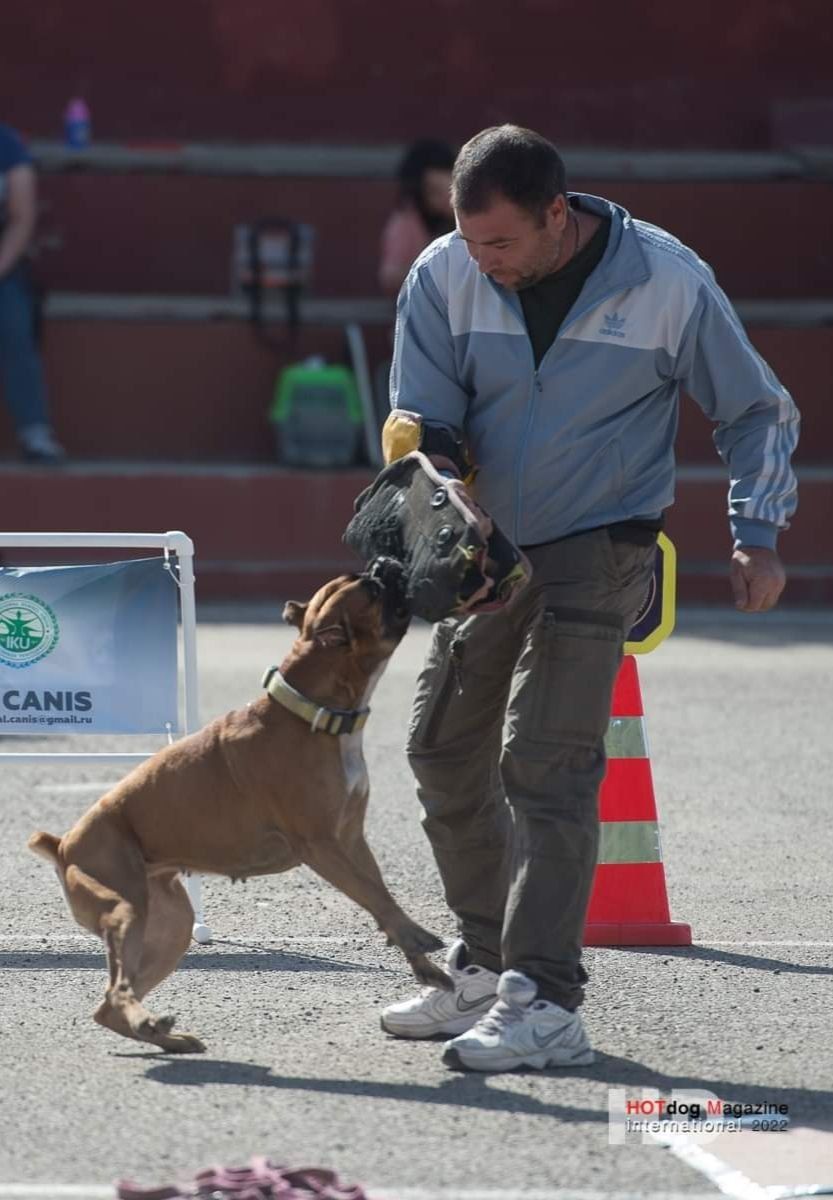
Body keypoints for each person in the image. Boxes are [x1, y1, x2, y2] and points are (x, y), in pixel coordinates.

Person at [379, 125, 799, 1072]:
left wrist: (756, 530)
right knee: (441, 748)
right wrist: (443, 507)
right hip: (484, 546)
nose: (481, 262)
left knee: (547, 763)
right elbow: (421, 420)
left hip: (600, 544)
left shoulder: (665, 281)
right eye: (470, 240)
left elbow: (755, 407)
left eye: (502, 245)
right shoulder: (445, 274)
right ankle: (481, 969)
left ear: (557, 216)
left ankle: (545, 1002)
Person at [0, 122, 65, 464]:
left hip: (3, 266)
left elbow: (22, 218)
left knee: (13, 322)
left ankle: (35, 433)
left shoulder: (7, 143)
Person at [378, 138, 456, 297]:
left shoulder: (473, 216)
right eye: (434, 192)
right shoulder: (408, 222)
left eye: (450, 189)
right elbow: (389, 277)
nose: (445, 199)